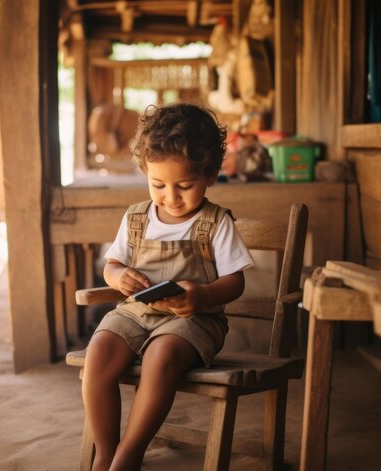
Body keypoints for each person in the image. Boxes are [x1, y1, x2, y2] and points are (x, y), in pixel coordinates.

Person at [82, 102, 254, 471]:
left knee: (161, 357)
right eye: (158, 184)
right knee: (98, 352)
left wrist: (202, 295)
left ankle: (129, 456)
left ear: (209, 175)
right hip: (135, 313)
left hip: (193, 321)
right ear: (145, 172)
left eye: (185, 186)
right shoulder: (136, 219)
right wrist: (116, 276)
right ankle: (106, 454)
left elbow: (235, 281)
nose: (171, 197)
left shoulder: (216, 223)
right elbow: (113, 264)